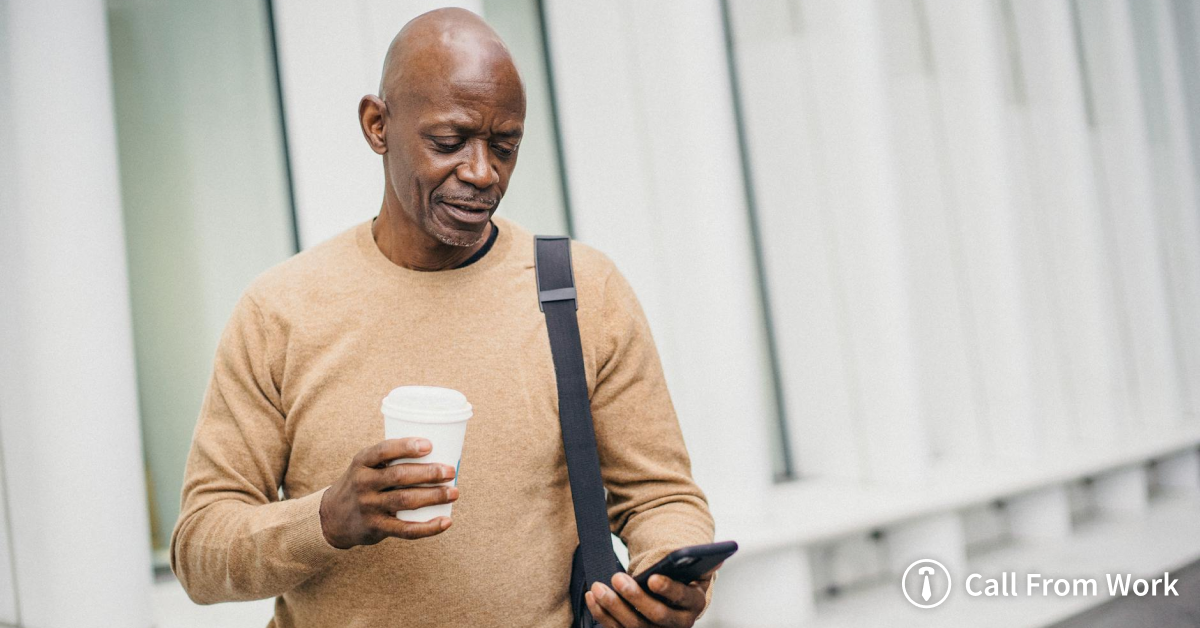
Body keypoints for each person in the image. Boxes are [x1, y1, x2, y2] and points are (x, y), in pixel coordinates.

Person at [170, 8, 717, 628]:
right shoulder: (280, 312)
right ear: (378, 126)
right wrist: (329, 518)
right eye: (449, 142)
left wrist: (670, 575)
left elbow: (661, 498)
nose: (482, 173)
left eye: (504, 147)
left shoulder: (582, 291)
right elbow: (199, 551)